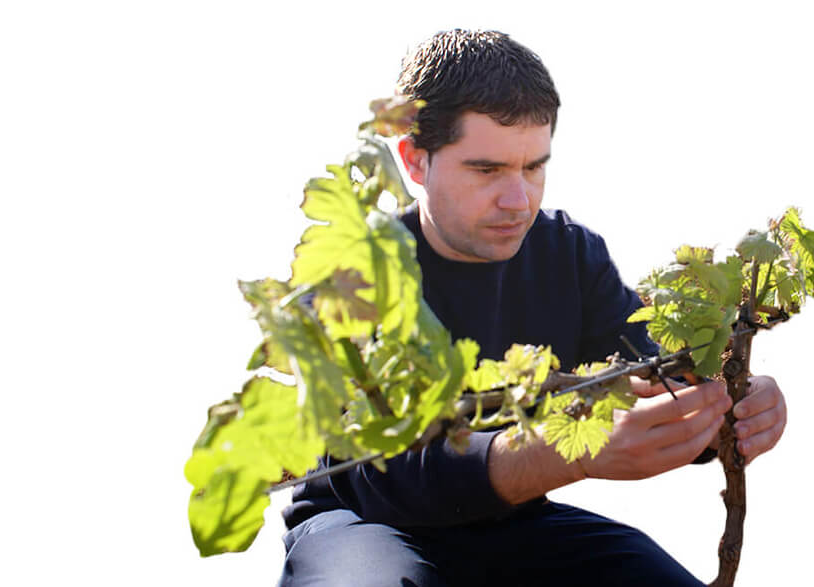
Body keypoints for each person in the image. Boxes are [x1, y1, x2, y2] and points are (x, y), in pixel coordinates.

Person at [277, 29, 787, 586]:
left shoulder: (569, 255)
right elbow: (381, 470)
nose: (518, 201)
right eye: (487, 170)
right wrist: (573, 453)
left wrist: (730, 410)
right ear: (415, 160)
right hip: (362, 526)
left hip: (517, 526)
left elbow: (652, 379)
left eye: (533, 168)